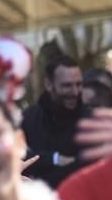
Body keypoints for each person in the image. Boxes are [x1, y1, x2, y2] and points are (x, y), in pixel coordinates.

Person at [20, 54, 89, 187]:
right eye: (67, 86)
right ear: (49, 84)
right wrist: (53, 159)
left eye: (79, 84)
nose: (74, 92)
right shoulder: (29, 119)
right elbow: (20, 156)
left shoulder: (91, 120)